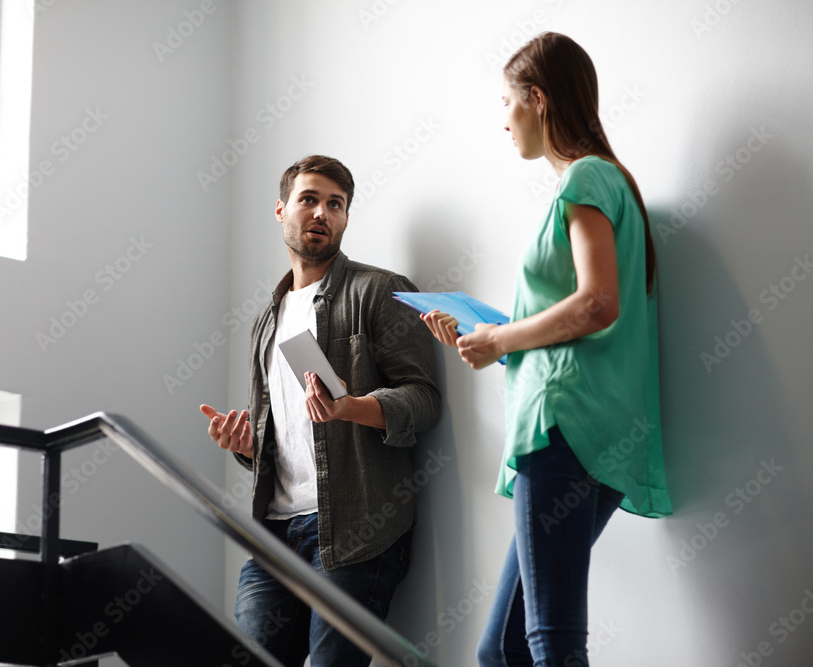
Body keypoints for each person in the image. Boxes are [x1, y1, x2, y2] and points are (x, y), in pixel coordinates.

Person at [421, 33, 672, 666]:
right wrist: (492, 340)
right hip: (594, 429)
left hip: (564, 430)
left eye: (507, 102)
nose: (503, 121)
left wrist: (502, 337)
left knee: (551, 643)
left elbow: (597, 303)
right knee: (500, 649)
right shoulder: (611, 183)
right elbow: (581, 319)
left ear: (537, 98)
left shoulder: (586, 178)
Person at [200, 155, 441, 667]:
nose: (322, 213)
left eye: (336, 204)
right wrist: (246, 447)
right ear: (282, 209)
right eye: (309, 199)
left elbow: (423, 401)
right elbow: (281, 435)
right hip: (274, 534)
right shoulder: (266, 320)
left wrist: (352, 407)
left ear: (346, 218)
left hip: (356, 531)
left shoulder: (380, 291)